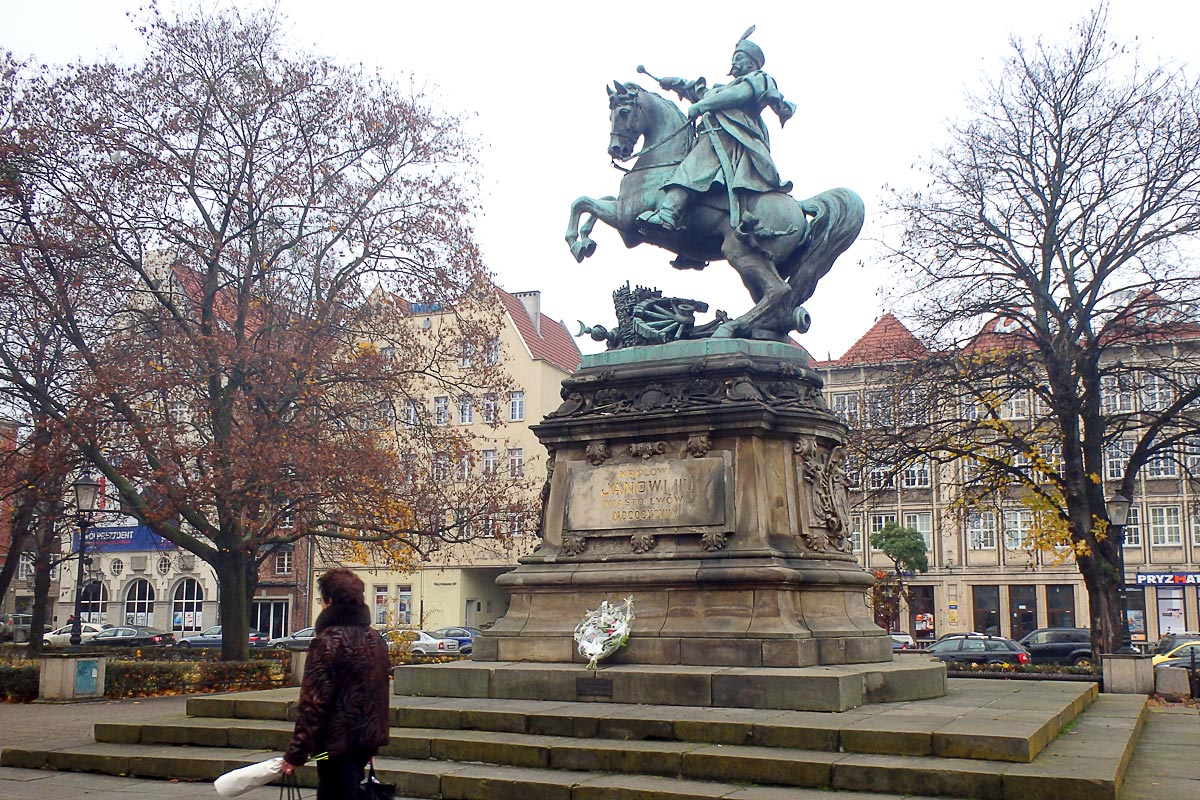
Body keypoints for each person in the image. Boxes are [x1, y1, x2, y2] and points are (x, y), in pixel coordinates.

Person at [638, 26, 797, 233]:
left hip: (732, 138)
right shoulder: (721, 89)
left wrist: (701, 106)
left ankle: (669, 213)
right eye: (734, 58)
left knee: (692, 166)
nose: (734, 62)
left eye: (739, 58)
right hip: (712, 136)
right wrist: (674, 83)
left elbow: (739, 94)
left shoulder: (759, 79)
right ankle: (692, 244)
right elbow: (700, 91)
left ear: (752, 62)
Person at [280, 568, 390, 799]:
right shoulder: (375, 640)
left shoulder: (327, 642)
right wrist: (370, 745)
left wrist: (295, 754)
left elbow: (314, 704)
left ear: (328, 602)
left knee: (332, 791)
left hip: (332, 751)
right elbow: (377, 697)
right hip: (360, 748)